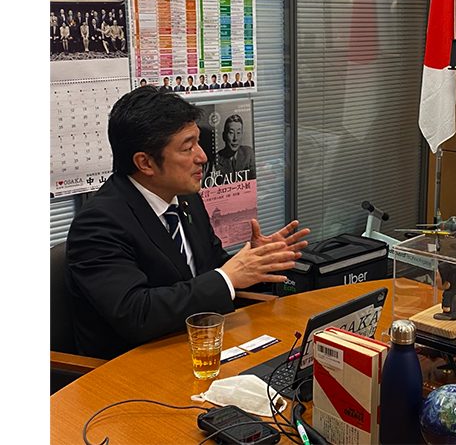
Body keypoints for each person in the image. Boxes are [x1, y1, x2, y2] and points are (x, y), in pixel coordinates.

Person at [65, 87, 310, 359]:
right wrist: (227, 277)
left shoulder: (185, 198)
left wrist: (257, 263)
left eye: (198, 143)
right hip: (135, 366)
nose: (202, 156)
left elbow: (210, 269)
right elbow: (136, 313)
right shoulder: (99, 223)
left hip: (200, 346)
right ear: (145, 163)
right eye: (188, 147)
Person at [212, 114, 256, 178]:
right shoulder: (216, 160)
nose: (235, 138)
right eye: (231, 133)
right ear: (224, 136)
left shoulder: (248, 154)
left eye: (238, 133)